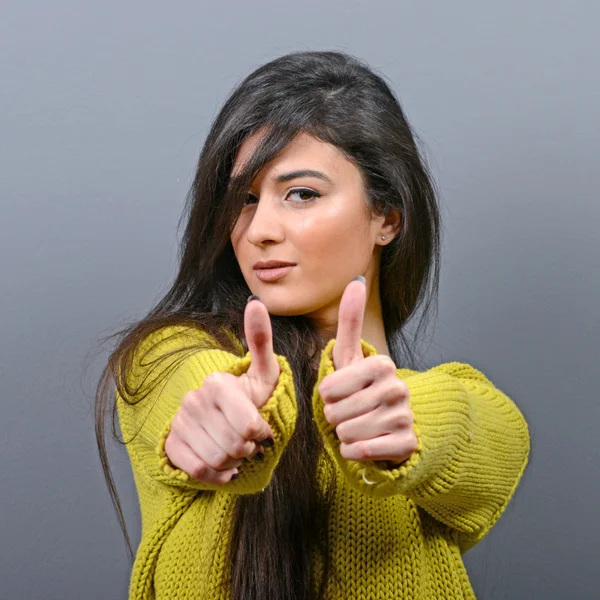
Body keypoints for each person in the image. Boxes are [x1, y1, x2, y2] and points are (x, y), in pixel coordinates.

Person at [94, 50, 531, 600]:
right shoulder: (162, 359)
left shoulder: (452, 407)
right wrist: (224, 415)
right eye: (244, 200)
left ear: (387, 218)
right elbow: (198, 386)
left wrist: (404, 429)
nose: (260, 231)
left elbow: (487, 436)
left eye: (301, 194)